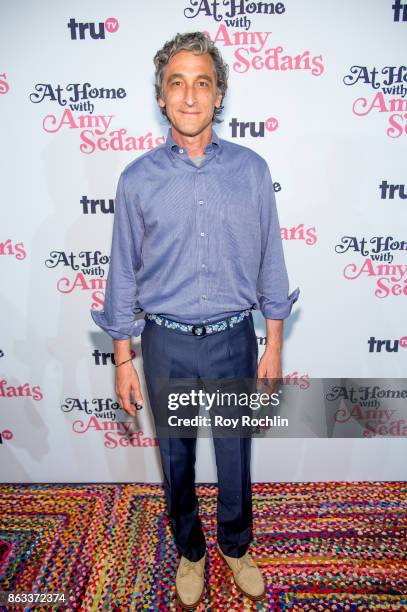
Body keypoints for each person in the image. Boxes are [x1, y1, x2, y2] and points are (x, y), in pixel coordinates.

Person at [91, 31, 299, 609]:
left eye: (201, 82)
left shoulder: (253, 172)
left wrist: (273, 345)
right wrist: (123, 360)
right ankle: (190, 551)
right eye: (176, 83)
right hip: (166, 344)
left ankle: (236, 544)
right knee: (176, 457)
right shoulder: (136, 180)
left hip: (233, 339)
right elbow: (123, 277)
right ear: (161, 96)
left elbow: (271, 263)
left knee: (236, 452)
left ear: (218, 94)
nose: (189, 95)